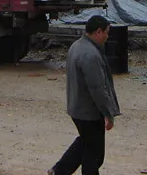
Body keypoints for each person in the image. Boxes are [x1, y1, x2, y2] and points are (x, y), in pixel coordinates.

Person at [48, 15, 121, 175]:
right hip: (89, 112)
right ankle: (60, 171)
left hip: (77, 108)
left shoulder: (76, 46)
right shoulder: (91, 55)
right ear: (98, 32)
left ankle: (59, 171)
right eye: (107, 33)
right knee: (94, 154)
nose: (107, 37)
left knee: (86, 143)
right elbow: (98, 89)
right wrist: (108, 114)